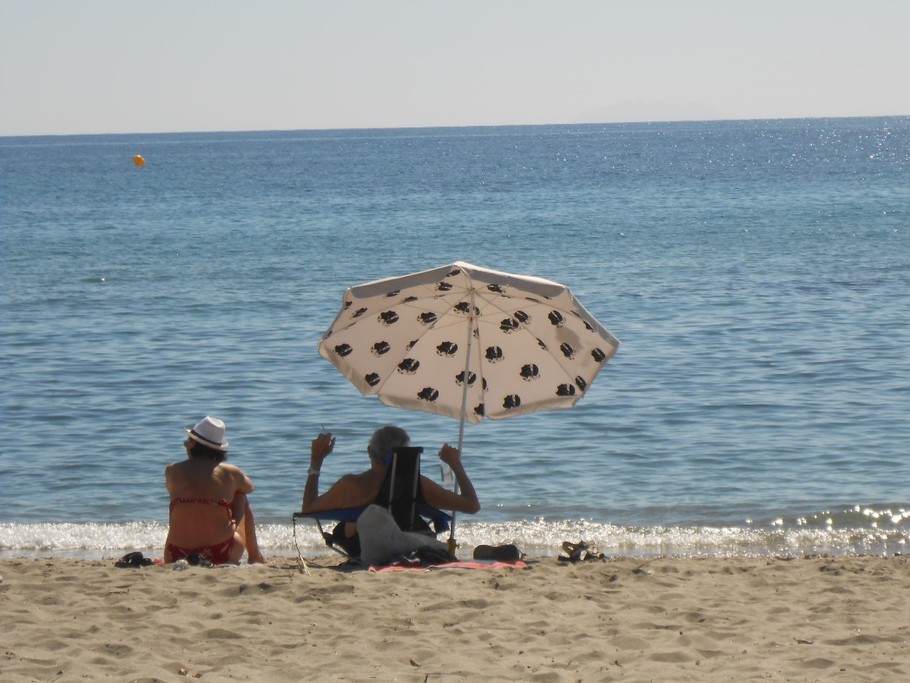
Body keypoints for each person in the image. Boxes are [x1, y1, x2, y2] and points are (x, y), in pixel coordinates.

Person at [301, 425, 481, 558]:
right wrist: (455, 464)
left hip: (362, 546)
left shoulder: (352, 484)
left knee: (350, 524)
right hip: (409, 539)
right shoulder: (419, 484)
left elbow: (309, 509)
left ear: (370, 452)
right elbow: (472, 505)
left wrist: (316, 461)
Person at [164, 416, 265, 564]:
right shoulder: (230, 472)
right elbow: (249, 487)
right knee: (240, 495)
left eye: (188, 441)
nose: (185, 444)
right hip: (221, 552)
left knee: (179, 502)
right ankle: (255, 555)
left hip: (176, 553)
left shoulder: (172, 471)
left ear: (193, 444)